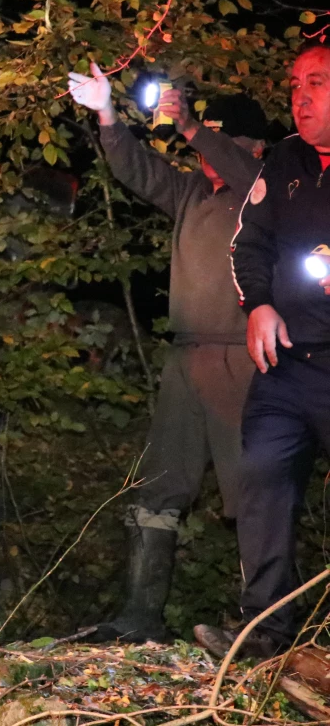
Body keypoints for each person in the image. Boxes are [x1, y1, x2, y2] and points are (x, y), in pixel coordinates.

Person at [67, 63, 266, 642]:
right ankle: (139, 615)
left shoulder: (266, 192)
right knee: (158, 485)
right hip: (186, 360)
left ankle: (262, 627)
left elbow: (245, 170)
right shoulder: (192, 193)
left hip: (244, 359)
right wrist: (107, 113)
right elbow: (135, 169)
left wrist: (189, 126)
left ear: (251, 146)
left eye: (222, 141)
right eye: (208, 140)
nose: (209, 151)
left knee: (251, 492)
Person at [195, 42, 330, 658]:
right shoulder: (284, 161)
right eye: (296, 83)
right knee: (262, 476)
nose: (301, 95)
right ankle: (266, 635)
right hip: (286, 364)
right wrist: (259, 305)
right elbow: (248, 247)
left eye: (318, 82)